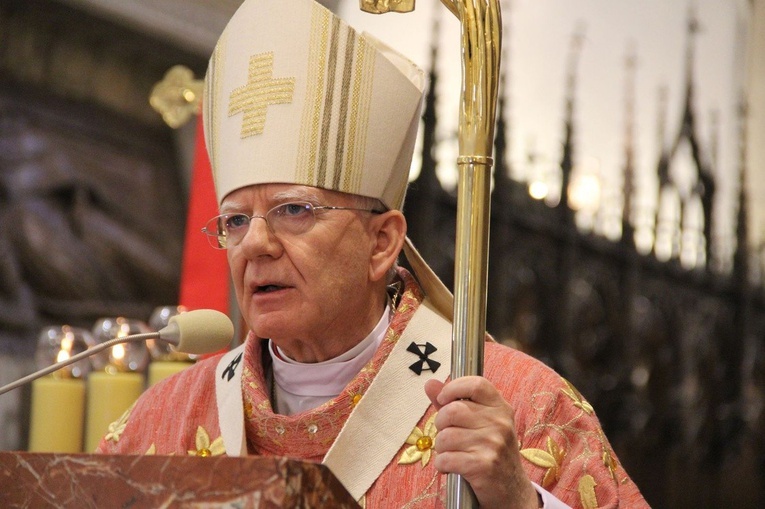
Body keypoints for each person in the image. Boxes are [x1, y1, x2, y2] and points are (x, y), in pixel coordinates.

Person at [98, 0, 649, 507]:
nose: (256, 245)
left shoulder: (517, 409)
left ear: (382, 242)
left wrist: (517, 500)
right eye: (236, 220)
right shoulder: (161, 424)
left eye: (294, 210)